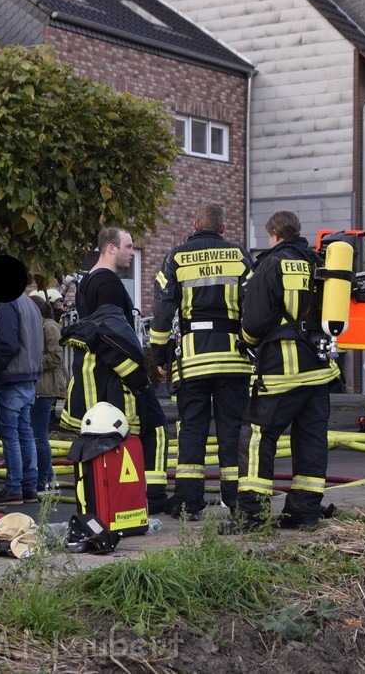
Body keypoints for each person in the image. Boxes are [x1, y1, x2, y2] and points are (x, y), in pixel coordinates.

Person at [234, 211, 340, 531]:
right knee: (310, 440)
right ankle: (304, 512)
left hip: (283, 370)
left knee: (256, 436)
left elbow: (254, 323)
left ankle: (252, 515)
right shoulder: (319, 262)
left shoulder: (270, 264)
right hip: (320, 370)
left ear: (274, 234)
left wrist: (247, 342)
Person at [150, 202, 253, 518]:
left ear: (195, 224)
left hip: (193, 361)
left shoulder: (176, 258)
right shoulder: (239, 256)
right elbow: (256, 305)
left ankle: (188, 503)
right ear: (222, 228)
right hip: (234, 360)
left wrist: (159, 355)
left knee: (191, 430)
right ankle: (236, 502)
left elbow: (163, 312)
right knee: (231, 430)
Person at [62, 227, 169, 511]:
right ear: (110, 248)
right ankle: (153, 498)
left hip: (98, 376)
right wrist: (138, 377)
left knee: (109, 438)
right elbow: (112, 336)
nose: (132, 253)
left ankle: (115, 496)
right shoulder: (108, 283)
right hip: (117, 377)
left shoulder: (86, 282)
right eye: (129, 246)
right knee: (155, 427)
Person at [0, 292, 44, 505]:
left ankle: (13, 488)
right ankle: (29, 487)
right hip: (28, 377)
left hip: (11, 377)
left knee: (10, 435)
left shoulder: (8, 302)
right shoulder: (29, 302)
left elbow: (7, 344)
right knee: (25, 433)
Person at [28, 294, 67, 495]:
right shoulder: (42, 326)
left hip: (45, 388)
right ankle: (50, 481)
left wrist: (30, 362)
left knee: (39, 437)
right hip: (40, 388)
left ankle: (44, 481)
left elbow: (55, 357)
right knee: (37, 436)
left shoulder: (48, 327)